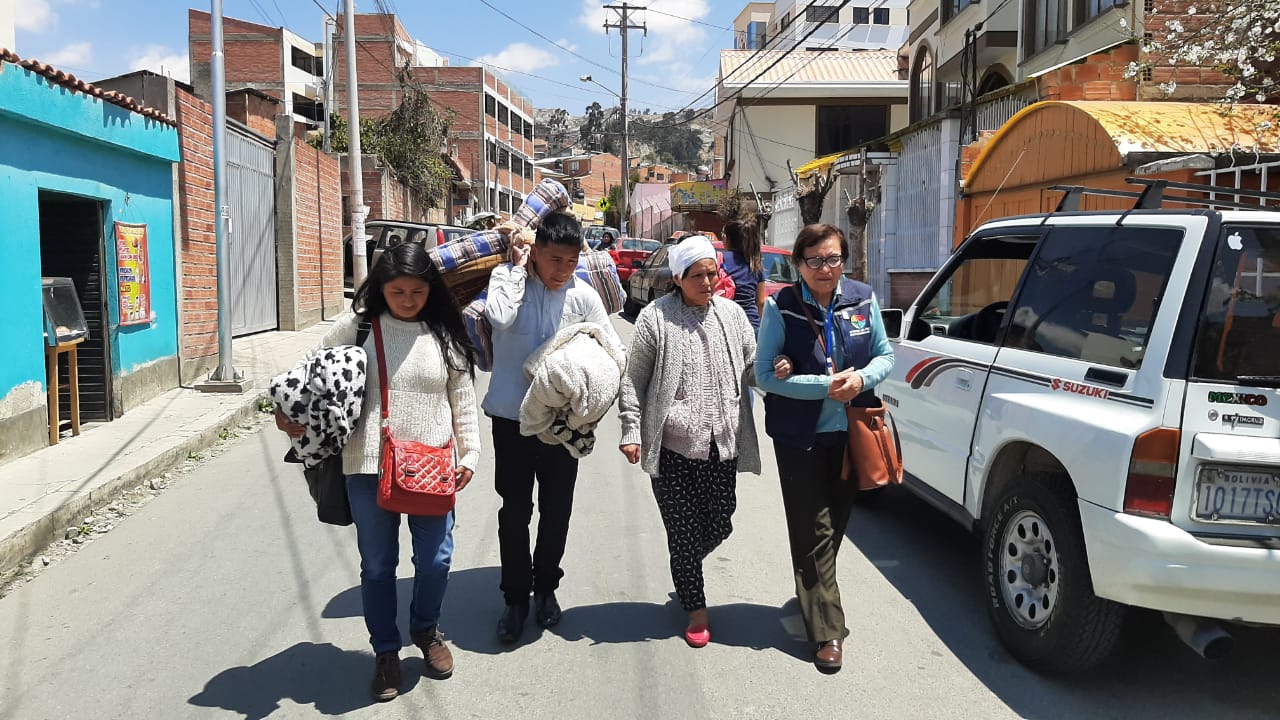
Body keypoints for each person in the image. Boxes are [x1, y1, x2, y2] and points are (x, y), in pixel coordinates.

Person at [278, 242, 480, 701]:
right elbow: (304, 374)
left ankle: (426, 630)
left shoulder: (445, 334)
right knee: (376, 567)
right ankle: (386, 652)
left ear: (431, 289)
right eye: (397, 291)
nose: (408, 300)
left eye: (418, 290)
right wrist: (287, 411)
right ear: (381, 289)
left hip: (431, 466)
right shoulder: (359, 328)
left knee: (436, 560)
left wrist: (468, 455)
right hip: (365, 466)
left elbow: (462, 399)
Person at [754, 223, 894, 673]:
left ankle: (812, 593)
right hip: (799, 437)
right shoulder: (782, 306)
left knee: (834, 524)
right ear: (799, 264)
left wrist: (861, 379)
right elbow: (765, 375)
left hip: (851, 433)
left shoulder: (862, 299)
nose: (825, 268)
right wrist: (823, 385)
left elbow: (885, 356)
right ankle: (828, 631)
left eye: (833, 259)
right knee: (813, 529)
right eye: (814, 260)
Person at [484, 211, 620, 643]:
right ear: (535, 252)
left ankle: (545, 589)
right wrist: (513, 268)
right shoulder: (510, 284)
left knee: (557, 508)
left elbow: (610, 349)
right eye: (554, 260)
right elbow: (499, 319)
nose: (563, 270)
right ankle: (515, 597)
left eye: (571, 261)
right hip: (511, 419)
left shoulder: (584, 297)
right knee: (515, 510)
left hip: (563, 426)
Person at [618, 235, 760, 648]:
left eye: (711, 272)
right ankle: (696, 608)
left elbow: (752, 366)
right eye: (696, 274)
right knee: (681, 531)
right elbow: (634, 379)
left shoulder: (732, 316)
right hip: (672, 446)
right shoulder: (656, 318)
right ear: (678, 278)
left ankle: (684, 565)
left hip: (723, 442)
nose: (707, 281)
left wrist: (777, 371)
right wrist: (631, 430)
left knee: (722, 519)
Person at [720, 219, 767, 331]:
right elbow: (760, 302)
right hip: (751, 323)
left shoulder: (719, 259)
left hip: (726, 323)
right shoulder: (755, 264)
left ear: (726, 239)